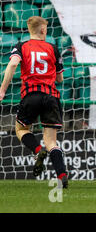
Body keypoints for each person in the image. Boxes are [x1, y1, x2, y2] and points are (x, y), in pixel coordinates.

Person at [0, 16, 68, 188]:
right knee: (51, 141)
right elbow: (60, 78)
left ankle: (38, 151)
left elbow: (13, 65)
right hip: (51, 96)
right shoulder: (53, 48)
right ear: (43, 30)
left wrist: (2, 90)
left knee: (21, 128)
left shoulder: (21, 46)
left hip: (31, 95)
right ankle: (62, 176)